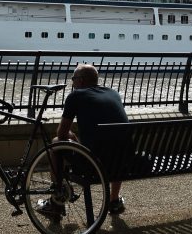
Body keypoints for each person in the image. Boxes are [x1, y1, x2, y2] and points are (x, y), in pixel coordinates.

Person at [36, 63, 128, 216]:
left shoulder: (76, 95)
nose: (72, 82)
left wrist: (70, 137)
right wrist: (74, 139)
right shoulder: (113, 93)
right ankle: (114, 200)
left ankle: (56, 201)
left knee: (56, 143)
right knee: (115, 145)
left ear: (81, 80)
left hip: (94, 165)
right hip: (123, 162)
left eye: (73, 78)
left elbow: (62, 134)